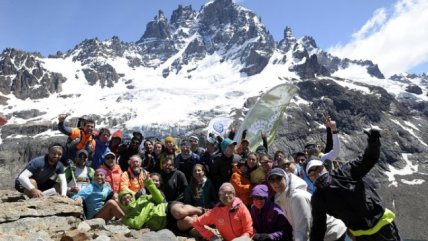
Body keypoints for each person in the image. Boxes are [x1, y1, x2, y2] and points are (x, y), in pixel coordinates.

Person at [307, 129, 401, 241]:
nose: (316, 173)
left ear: (325, 167)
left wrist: (373, 143)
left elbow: (368, 158)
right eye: (311, 172)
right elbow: (318, 227)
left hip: (384, 229)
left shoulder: (345, 172)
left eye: (318, 168)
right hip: (361, 236)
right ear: (309, 179)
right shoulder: (318, 199)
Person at [268, 168, 347, 241]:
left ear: (285, 178)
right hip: (321, 233)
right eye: (272, 180)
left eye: (279, 178)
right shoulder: (281, 198)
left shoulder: (297, 197)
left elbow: (302, 229)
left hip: (332, 232)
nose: (276, 182)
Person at [119, 175, 204, 232]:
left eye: (128, 197)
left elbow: (159, 199)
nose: (127, 200)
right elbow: (137, 224)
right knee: (189, 221)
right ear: (121, 203)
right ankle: (204, 218)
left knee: (179, 213)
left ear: (132, 197)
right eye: (124, 199)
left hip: (166, 208)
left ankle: (202, 210)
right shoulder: (126, 218)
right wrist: (148, 207)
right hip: (165, 224)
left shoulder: (142, 198)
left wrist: (149, 183)